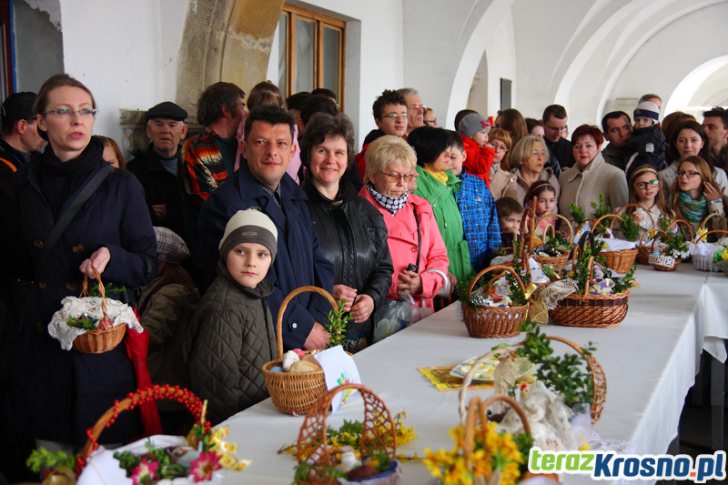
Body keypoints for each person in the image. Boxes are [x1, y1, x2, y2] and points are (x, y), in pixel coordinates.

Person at [7, 74, 157, 448]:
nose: (78, 120)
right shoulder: (21, 184)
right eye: (64, 111)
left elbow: (147, 263)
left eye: (86, 111)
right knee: (53, 459)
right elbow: (11, 262)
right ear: (41, 122)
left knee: (102, 457)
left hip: (99, 348)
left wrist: (112, 257)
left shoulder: (120, 185)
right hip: (43, 347)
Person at [197, 107, 334, 351]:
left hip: (308, 338)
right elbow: (245, 280)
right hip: (259, 340)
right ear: (244, 148)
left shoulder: (296, 196)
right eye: (261, 142)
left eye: (281, 143)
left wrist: (318, 320)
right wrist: (300, 328)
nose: (272, 152)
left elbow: (318, 262)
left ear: (292, 151)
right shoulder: (226, 205)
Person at [301, 113, 393, 352]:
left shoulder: (366, 211)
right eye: (322, 150)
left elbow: (383, 268)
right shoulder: (294, 211)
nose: (331, 159)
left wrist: (371, 298)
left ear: (348, 158)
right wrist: (326, 292)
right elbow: (286, 276)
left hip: (363, 338)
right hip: (314, 337)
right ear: (307, 155)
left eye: (339, 152)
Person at [184, 209, 277, 424]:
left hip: (257, 416)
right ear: (225, 252)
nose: (251, 262)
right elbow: (216, 391)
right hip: (235, 431)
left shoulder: (255, 292)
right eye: (241, 251)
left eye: (262, 254)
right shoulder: (224, 308)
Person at [359, 135, 450, 313]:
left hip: (418, 308)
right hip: (375, 311)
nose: (401, 184)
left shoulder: (421, 208)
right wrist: (395, 286)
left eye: (407, 176)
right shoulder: (357, 211)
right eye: (393, 175)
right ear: (373, 174)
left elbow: (439, 256)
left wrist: (423, 282)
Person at [178, 81, 245, 266]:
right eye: (241, 106)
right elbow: (208, 202)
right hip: (213, 245)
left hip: (245, 240)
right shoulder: (195, 148)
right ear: (226, 109)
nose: (245, 113)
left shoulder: (243, 146)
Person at [410, 126, 472, 285]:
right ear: (427, 152)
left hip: (457, 262)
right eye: (441, 149)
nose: (448, 154)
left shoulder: (447, 180)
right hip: (437, 270)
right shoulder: (416, 185)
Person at [127, 101, 189, 242]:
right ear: (149, 131)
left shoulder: (194, 165)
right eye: (159, 124)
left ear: (183, 131)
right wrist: (149, 211)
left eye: (172, 125)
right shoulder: (134, 171)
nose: (165, 130)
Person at [447, 131, 501, 272]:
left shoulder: (477, 184)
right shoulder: (439, 188)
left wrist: (495, 256)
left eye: (453, 157)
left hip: (481, 262)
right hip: (452, 266)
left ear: (463, 156)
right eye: (444, 158)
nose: (449, 163)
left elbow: (492, 222)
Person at [559, 124, 628, 219]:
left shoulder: (614, 175)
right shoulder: (564, 177)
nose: (583, 150)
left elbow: (621, 219)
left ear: (598, 147)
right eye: (577, 146)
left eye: (588, 146)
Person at [659, 120, 728, 197]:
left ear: (702, 143)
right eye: (682, 141)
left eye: (694, 140)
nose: (688, 145)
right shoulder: (663, 176)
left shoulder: (718, 174)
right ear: (675, 144)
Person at [356, 89, 408, 179]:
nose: (400, 120)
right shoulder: (373, 152)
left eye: (404, 115)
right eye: (392, 116)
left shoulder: (406, 142)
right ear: (378, 121)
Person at [671, 156, 727, 233]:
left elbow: (722, 235)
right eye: (681, 172)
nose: (683, 177)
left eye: (691, 173)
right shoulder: (672, 200)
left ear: (703, 176)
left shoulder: (719, 200)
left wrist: (715, 204)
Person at [503, 135, 560, 204]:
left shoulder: (551, 179)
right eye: (535, 153)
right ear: (521, 157)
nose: (540, 158)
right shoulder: (509, 180)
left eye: (542, 153)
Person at [621, 164, 672, 234]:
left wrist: (673, 227)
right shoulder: (622, 213)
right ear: (634, 189)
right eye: (642, 184)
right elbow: (614, 240)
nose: (648, 187)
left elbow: (677, 241)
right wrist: (631, 227)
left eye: (653, 183)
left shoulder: (669, 213)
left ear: (659, 186)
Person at [624, 101, 666, 172]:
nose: (640, 123)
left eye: (645, 120)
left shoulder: (652, 138)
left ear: (653, 122)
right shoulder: (638, 134)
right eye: (637, 120)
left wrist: (645, 173)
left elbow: (649, 159)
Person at [457, 111, 495, 187]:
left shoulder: (475, 147)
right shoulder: (467, 148)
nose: (486, 137)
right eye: (483, 132)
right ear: (470, 134)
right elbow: (482, 167)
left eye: (487, 133)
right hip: (472, 188)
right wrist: (488, 151)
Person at [542, 104, 574, 176]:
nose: (559, 133)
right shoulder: (534, 147)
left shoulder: (571, 148)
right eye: (554, 129)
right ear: (543, 124)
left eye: (562, 128)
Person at [488, 128, 516, 199]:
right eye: (493, 145)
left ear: (506, 153)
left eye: (502, 148)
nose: (497, 150)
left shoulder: (509, 178)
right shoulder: (474, 168)